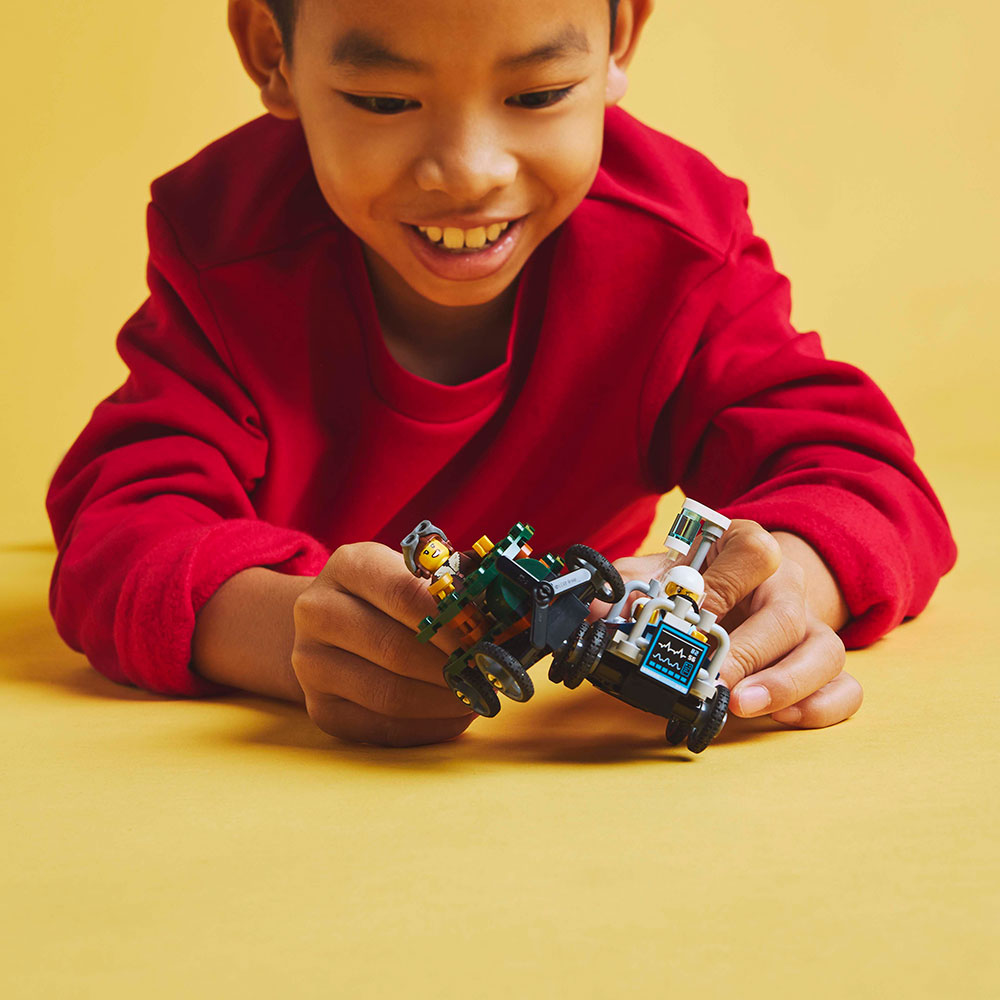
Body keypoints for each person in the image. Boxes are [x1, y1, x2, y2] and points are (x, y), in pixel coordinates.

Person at [46, 0, 956, 747]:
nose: (469, 173)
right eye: (384, 101)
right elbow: (118, 530)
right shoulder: (227, 251)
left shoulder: (675, 250)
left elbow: (859, 472)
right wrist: (289, 635)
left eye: (541, 92)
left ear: (619, 42)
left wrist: (789, 580)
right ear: (271, 52)